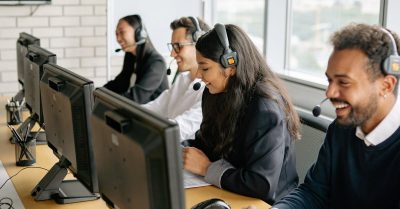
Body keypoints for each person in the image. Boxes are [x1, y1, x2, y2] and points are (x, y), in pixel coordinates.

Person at [271, 23, 400, 209]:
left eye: (343, 82)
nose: (329, 92)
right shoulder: (341, 128)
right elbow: (313, 193)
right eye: (329, 80)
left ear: (386, 86)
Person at [183, 23, 301, 204]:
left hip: (269, 203)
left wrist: (207, 169)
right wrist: (178, 150)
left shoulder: (265, 109)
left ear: (231, 65)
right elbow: (206, 141)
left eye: (205, 68)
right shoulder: (215, 93)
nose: (198, 74)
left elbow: (261, 184)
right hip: (230, 193)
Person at [142, 16, 210, 140]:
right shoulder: (182, 80)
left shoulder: (210, 88)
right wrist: (125, 112)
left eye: (178, 46)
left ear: (199, 43)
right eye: (172, 47)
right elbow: (155, 107)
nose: (172, 54)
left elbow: (180, 128)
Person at [104, 14, 169, 104]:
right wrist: (98, 92)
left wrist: (106, 101)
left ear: (139, 34)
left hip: (153, 115)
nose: (118, 38)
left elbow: (136, 98)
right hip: (138, 111)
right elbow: (120, 83)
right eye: (116, 34)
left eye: (122, 32)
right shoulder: (131, 56)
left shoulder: (156, 63)